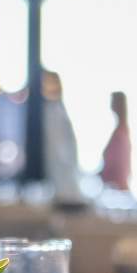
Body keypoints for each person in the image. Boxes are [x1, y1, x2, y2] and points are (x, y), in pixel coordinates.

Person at [42, 70, 84, 205]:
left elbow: (61, 152)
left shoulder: (57, 111)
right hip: (60, 184)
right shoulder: (51, 111)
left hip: (65, 184)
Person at [100, 91, 131, 191]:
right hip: (113, 188)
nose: (111, 105)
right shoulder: (121, 131)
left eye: (113, 102)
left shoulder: (120, 134)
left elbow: (117, 165)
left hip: (117, 190)